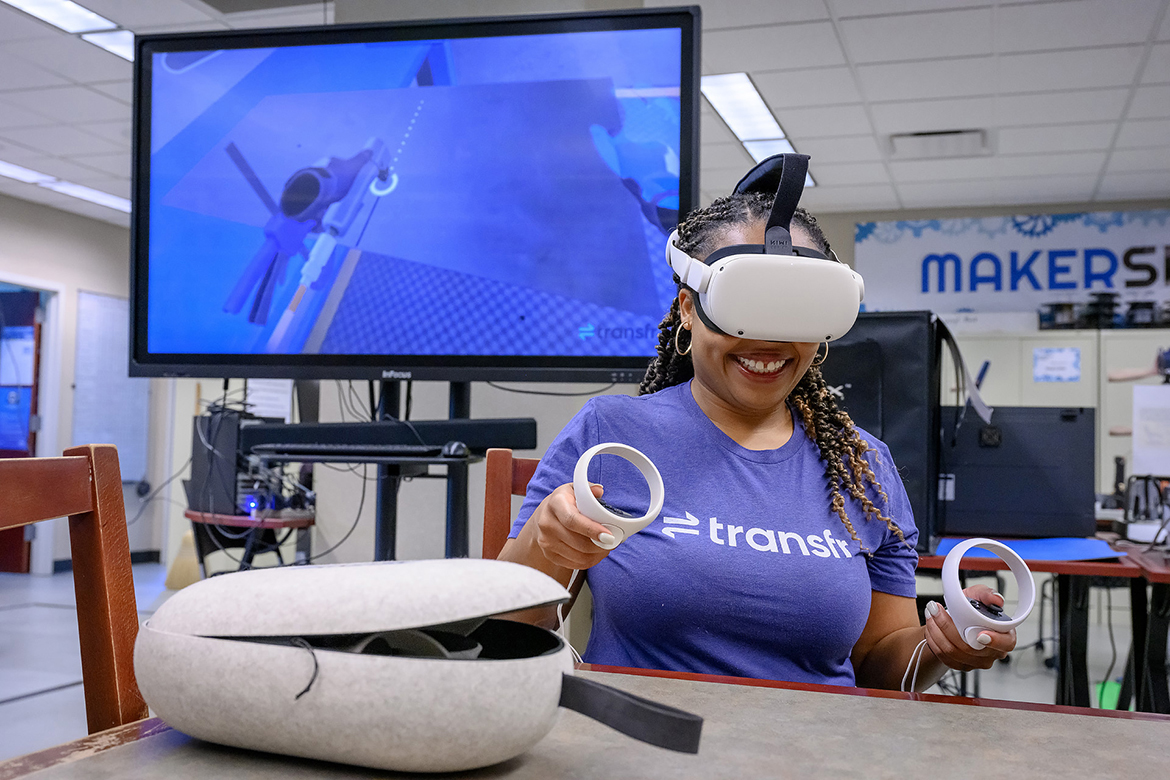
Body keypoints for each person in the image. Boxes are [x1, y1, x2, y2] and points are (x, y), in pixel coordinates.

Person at [499, 165, 1017, 691]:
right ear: (689, 309)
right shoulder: (612, 436)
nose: (768, 342)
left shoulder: (864, 467)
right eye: (744, 307)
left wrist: (941, 646)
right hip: (649, 743)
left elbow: (878, 669)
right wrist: (547, 541)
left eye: (794, 312)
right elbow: (505, 629)